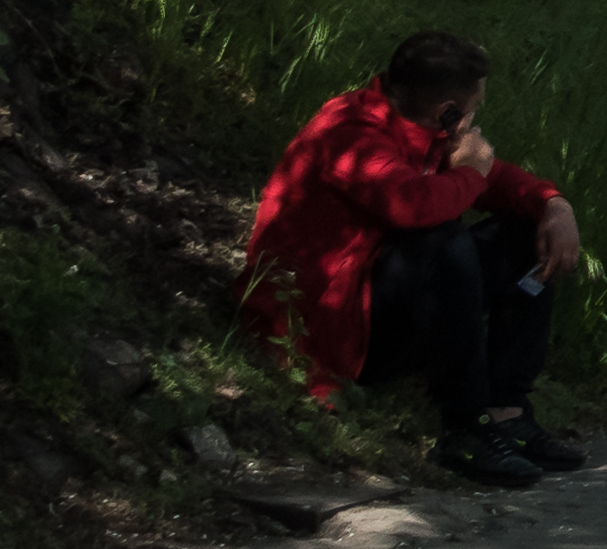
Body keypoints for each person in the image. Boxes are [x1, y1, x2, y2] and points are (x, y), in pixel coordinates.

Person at [241, 31, 585, 487]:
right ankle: (464, 428)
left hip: (381, 306)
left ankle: (507, 411)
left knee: (523, 237)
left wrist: (553, 204)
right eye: (473, 104)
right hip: (333, 326)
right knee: (442, 241)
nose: (476, 114)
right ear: (446, 109)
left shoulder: (423, 130)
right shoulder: (349, 130)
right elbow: (408, 205)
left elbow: (496, 180)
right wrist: (471, 171)